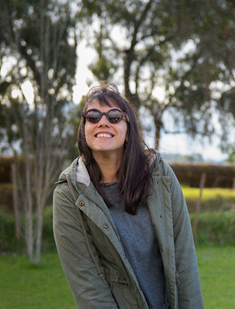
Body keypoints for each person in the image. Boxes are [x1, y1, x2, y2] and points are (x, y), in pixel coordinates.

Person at [53, 81, 204, 309]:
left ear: (128, 130)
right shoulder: (69, 194)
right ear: (84, 129)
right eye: (93, 116)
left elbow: (184, 261)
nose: (102, 122)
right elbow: (89, 287)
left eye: (114, 116)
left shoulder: (161, 176)